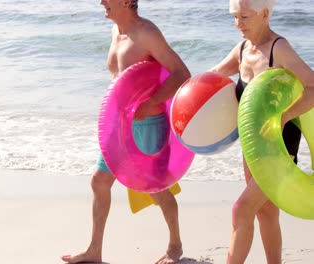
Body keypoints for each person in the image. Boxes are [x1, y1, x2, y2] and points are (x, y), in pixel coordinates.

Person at [61, 0, 190, 263]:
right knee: (99, 181)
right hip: (119, 126)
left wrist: (151, 103)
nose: (101, 3)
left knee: (156, 188)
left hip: (147, 124)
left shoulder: (146, 33)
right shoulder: (116, 32)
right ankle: (94, 251)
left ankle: (175, 246)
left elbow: (181, 73)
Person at [210, 0, 314, 263]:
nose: (238, 24)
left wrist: (284, 116)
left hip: (279, 149)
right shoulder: (243, 49)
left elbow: (312, 86)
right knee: (265, 212)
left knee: (240, 210)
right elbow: (212, 76)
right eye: (235, 17)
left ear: (265, 14)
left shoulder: (279, 49)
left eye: (245, 17)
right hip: (252, 145)